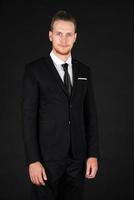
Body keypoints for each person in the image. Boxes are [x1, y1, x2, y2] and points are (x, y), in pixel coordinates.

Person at [21, 10, 99, 200]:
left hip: (77, 160)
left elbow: (91, 116)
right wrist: (33, 160)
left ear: (75, 37)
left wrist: (92, 155)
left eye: (68, 34)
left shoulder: (84, 71)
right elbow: (28, 118)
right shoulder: (35, 70)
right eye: (59, 33)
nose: (63, 39)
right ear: (50, 35)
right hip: (47, 161)